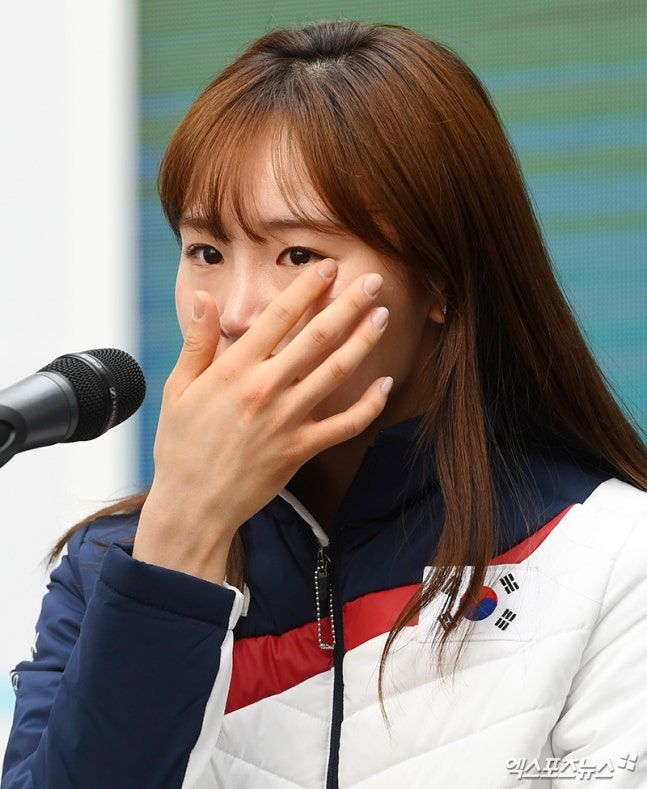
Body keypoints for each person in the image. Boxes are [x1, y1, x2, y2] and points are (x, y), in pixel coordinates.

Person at [3, 19, 646, 789]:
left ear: (439, 280)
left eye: (298, 255)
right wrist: (179, 542)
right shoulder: (112, 567)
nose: (237, 311)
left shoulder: (610, 554)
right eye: (206, 251)